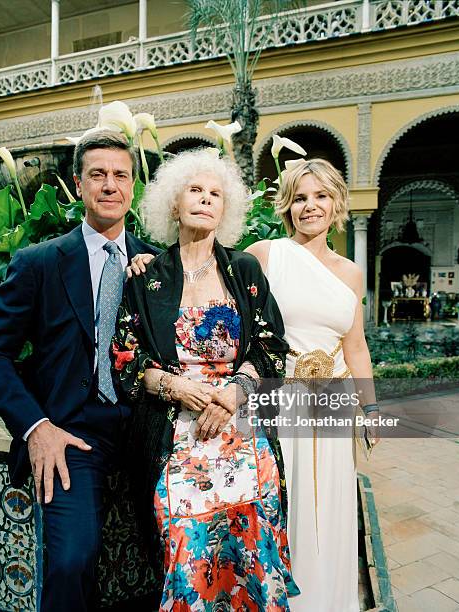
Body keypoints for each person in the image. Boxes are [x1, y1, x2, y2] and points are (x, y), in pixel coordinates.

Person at [0, 130, 160, 611]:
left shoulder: (159, 266)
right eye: (98, 175)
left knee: (180, 548)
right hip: (72, 433)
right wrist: (36, 427)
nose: (110, 185)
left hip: (148, 430)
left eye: (120, 175)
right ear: (79, 185)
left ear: (133, 187)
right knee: (71, 559)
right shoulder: (39, 263)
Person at [112, 148, 300, 611]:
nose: (206, 199)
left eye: (216, 194)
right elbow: (123, 357)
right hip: (175, 437)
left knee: (250, 550)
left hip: (241, 431)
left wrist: (233, 395)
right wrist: (174, 387)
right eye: (195, 190)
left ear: (226, 209)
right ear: (173, 204)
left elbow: (272, 344)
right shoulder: (146, 276)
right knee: (185, 551)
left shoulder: (244, 270)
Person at [245, 158, 379, 612]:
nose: (310, 206)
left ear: (337, 202)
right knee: (288, 504)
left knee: (332, 510)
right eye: (300, 197)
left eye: (320, 196)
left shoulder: (352, 273)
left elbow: (355, 345)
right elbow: (207, 274)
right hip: (281, 400)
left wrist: (371, 409)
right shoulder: (266, 255)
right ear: (286, 205)